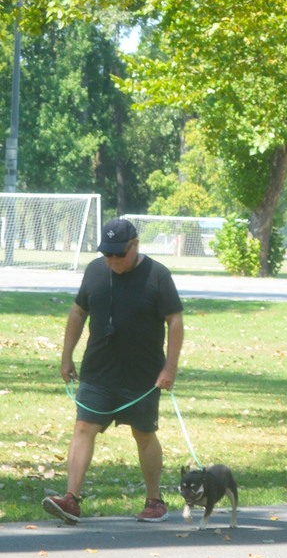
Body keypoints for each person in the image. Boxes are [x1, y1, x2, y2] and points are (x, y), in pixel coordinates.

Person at [43, 218, 184, 524]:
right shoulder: (95, 270)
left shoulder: (157, 275)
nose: (113, 260)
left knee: (144, 434)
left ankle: (154, 501)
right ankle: (71, 500)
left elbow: (175, 320)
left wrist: (169, 367)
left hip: (143, 374)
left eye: (119, 254)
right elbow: (79, 311)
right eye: (108, 254)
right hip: (98, 370)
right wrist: (66, 357)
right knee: (83, 427)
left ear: (135, 246)